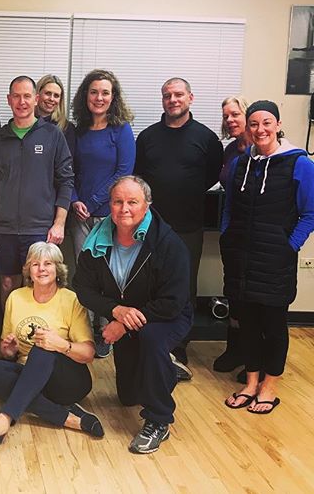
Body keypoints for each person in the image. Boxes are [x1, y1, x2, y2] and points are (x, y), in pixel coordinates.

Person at [73, 176, 192, 454]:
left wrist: (122, 326)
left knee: (151, 340)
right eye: (117, 202)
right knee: (128, 397)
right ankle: (164, 368)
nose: (124, 208)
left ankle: (159, 420)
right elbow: (83, 288)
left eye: (132, 202)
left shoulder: (167, 243)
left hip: (165, 316)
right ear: (110, 205)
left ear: (147, 205)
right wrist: (115, 311)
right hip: (124, 315)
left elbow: (173, 302)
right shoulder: (97, 241)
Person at [222, 100, 314, 414]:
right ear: (247, 128)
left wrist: (290, 246)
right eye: (254, 124)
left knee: (273, 324)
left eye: (266, 123)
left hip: (276, 259)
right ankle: (250, 382)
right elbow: (230, 207)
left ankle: (269, 386)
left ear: (277, 125)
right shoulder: (240, 163)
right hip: (241, 258)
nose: (260, 130)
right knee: (246, 322)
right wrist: (226, 235)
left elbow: (310, 213)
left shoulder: (299, 163)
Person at [0, 242, 101, 448]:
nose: (42, 268)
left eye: (48, 264)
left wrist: (61, 345)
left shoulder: (71, 300)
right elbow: (6, 349)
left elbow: (88, 353)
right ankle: (68, 418)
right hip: (30, 377)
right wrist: (8, 351)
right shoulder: (16, 297)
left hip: (67, 380)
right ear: (28, 270)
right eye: (35, 264)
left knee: (43, 347)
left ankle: (3, 420)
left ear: (58, 269)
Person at [135, 77, 222, 377]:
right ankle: (148, 341)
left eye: (178, 95)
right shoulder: (147, 138)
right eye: (167, 95)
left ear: (190, 98)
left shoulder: (207, 138)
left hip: (188, 225)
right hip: (152, 226)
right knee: (149, 283)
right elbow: (139, 179)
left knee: (184, 286)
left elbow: (212, 174)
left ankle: (178, 346)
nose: (173, 99)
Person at [0, 76, 74, 308]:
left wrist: (59, 223)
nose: (21, 101)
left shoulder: (53, 135)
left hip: (40, 228)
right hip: (4, 229)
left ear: (36, 99)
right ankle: (9, 338)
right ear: (9, 100)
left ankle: (37, 341)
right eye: (16, 96)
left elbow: (66, 180)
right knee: (7, 284)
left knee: (40, 285)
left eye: (26, 96)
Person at [70, 69, 136, 358]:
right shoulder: (77, 131)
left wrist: (93, 200)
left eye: (105, 92)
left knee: (108, 274)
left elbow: (124, 172)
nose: (99, 97)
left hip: (109, 216)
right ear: (86, 96)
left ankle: (105, 330)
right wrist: (74, 200)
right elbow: (66, 170)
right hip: (79, 215)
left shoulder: (121, 130)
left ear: (113, 97)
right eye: (94, 91)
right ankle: (85, 329)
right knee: (84, 272)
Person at [213, 96, 250, 378]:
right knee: (234, 293)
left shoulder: (267, 150)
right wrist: (225, 231)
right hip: (233, 234)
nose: (230, 120)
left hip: (259, 237)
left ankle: (254, 357)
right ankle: (234, 349)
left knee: (255, 298)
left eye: (235, 114)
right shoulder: (229, 151)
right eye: (226, 116)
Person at [35, 74, 76, 152]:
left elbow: (68, 162)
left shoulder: (67, 128)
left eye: (56, 96)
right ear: (38, 94)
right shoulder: (26, 123)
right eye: (48, 93)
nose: (51, 99)